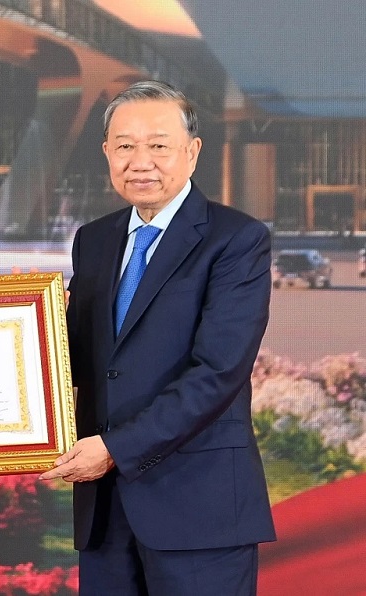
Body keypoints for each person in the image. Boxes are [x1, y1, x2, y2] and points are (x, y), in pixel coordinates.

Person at [40, 81, 276, 595]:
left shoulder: (236, 240)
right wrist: (25, 323)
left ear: (192, 151)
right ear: (107, 151)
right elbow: (81, 359)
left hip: (200, 510)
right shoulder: (94, 239)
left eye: (158, 145)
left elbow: (217, 373)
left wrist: (115, 448)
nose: (140, 161)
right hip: (105, 514)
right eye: (125, 145)